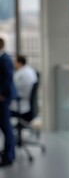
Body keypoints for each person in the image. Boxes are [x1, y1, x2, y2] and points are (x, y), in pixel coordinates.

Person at [0, 37, 17, 167]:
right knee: (6, 126)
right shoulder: (4, 58)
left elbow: (8, 79)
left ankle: (8, 156)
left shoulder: (4, 60)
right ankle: (9, 152)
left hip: (3, 98)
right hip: (4, 97)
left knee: (6, 126)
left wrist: (3, 95)